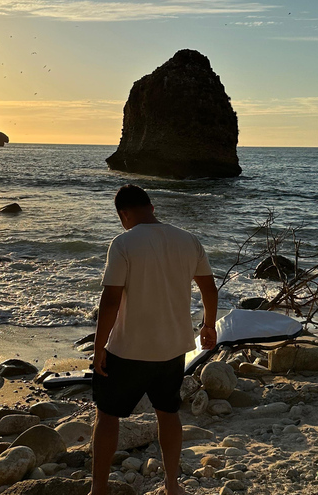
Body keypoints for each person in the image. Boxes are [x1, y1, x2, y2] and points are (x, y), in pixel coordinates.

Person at [89, 184, 218, 495]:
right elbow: (209, 289)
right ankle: (172, 485)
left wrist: (98, 347)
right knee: (168, 413)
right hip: (172, 349)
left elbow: (110, 301)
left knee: (107, 415)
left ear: (123, 214)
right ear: (152, 208)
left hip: (127, 349)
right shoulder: (188, 240)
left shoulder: (123, 243)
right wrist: (208, 326)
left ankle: (99, 489)